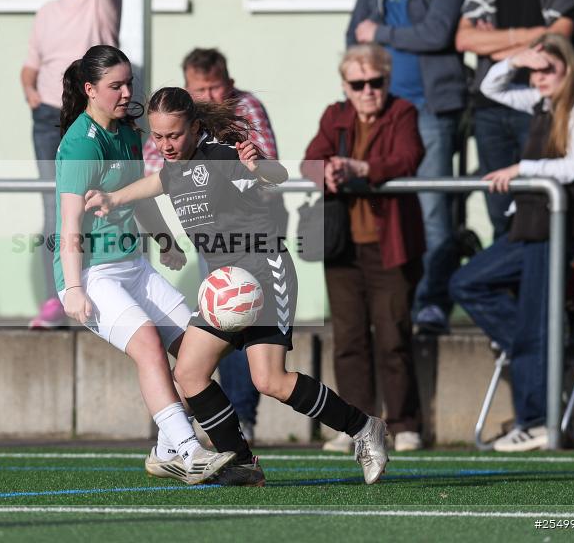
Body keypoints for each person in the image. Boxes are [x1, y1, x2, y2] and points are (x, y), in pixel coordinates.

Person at [86, 87, 389, 486]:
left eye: (174, 135)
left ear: (194, 128)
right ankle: (243, 463)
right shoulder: (174, 166)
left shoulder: (221, 156)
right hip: (227, 286)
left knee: (271, 381)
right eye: (158, 137)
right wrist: (114, 198)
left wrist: (258, 166)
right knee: (190, 373)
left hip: (265, 272)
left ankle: (365, 428)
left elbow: (274, 177)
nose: (166, 145)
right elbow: (157, 183)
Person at [55, 45, 236, 484]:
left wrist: (163, 240)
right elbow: (69, 225)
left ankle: (165, 447)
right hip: (93, 274)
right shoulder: (80, 144)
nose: (125, 92)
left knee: (200, 349)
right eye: (115, 85)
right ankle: (189, 450)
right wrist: (74, 288)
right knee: (149, 347)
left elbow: (138, 194)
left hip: (134, 266)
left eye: (128, 83)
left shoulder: (128, 132)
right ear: (90, 90)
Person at [450, 33, 574, 452]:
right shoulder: (542, 102)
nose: (538, 78)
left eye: (547, 69)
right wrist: (519, 57)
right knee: (466, 282)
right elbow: (491, 86)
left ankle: (536, 420)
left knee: (532, 329)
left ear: (568, 68)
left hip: (558, 233)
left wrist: (521, 167)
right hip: (530, 229)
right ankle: (532, 350)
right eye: (534, 70)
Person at [142, 48, 280, 443]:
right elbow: (160, 169)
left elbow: (268, 170)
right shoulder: (175, 125)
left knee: (248, 345)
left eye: (214, 86)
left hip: (252, 241)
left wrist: (249, 170)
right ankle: (197, 434)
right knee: (214, 341)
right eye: (199, 88)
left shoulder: (247, 108)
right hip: (208, 242)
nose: (208, 95)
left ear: (228, 82)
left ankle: (240, 417)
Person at [302, 44, 426, 454]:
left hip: (389, 245)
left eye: (376, 82)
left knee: (393, 335)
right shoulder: (334, 115)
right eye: (359, 84)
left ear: (387, 81)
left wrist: (363, 169)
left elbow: (409, 157)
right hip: (343, 248)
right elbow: (309, 161)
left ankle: (405, 423)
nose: (368, 90)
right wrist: (330, 170)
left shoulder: (402, 112)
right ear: (345, 86)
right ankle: (356, 424)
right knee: (350, 338)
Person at [348, 0, 467, 335]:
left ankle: (431, 303)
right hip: (385, 112)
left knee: (433, 210)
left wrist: (381, 32)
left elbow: (437, 33)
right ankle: (391, 305)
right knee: (385, 211)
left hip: (430, 109)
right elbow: (355, 39)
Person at [456, 0, 574, 239]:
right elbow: (464, 39)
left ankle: (536, 278)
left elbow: (558, 39)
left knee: (534, 206)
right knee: (498, 204)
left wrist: (495, 44)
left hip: (541, 106)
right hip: (490, 108)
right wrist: (524, 41)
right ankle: (507, 274)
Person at [22, 0, 121, 329]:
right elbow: (31, 64)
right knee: (55, 209)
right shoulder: (46, 12)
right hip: (48, 116)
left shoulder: (101, 1)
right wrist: (29, 90)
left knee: (103, 203)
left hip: (90, 116)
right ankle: (59, 297)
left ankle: (102, 289)